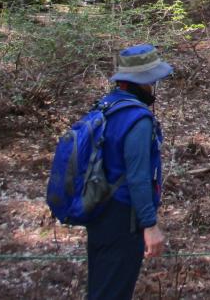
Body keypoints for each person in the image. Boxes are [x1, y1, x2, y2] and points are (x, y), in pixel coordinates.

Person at [87, 44, 170, 300]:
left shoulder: (105, 106)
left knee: (101, 287)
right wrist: (150, 225)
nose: (153, 85)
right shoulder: (137, 119)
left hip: (98, 211)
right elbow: (138, 177)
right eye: (152, 80)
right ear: (141, 81)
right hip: (123, 220)